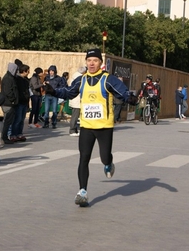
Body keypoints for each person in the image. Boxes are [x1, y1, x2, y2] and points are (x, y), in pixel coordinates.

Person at [44, 48, 138, 207]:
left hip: (104, 126)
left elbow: (122, 92)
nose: (92, 63)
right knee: (84, 158)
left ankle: (109, 163)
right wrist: (53, 91)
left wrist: (131, 98)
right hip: (86, 126)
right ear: (86, 62)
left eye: (95, 60)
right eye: (89, 60)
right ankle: (82, 191)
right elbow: (68, 92)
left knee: (104, 157)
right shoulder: (81, 80)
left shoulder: (108, 79)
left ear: (100, 63)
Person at [0, 62, 19, 145]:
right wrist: (13, 99)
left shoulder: (11, 77)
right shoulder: (8, 78)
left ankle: (5, 137)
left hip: (9, 103)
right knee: (7, 122)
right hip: (8, 103)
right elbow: (8, 91)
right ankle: (4, 138)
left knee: (8, 122)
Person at [10, 64, 30, 142]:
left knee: (22, 119)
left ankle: (19, 133)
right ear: (24, 71)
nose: (29, 72)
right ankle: (13, 134)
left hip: (25, 102)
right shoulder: (17, 79)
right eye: (28, 71)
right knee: (17, 119)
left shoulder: (25, 80)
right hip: (19, 102)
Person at [68, 66, 86, 136]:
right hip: (77, 99)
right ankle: (72, 130)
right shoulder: (80, 78)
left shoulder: (74, 76)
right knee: (75, 116)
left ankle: (74, 129)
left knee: (75, 115)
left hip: (74, 98)